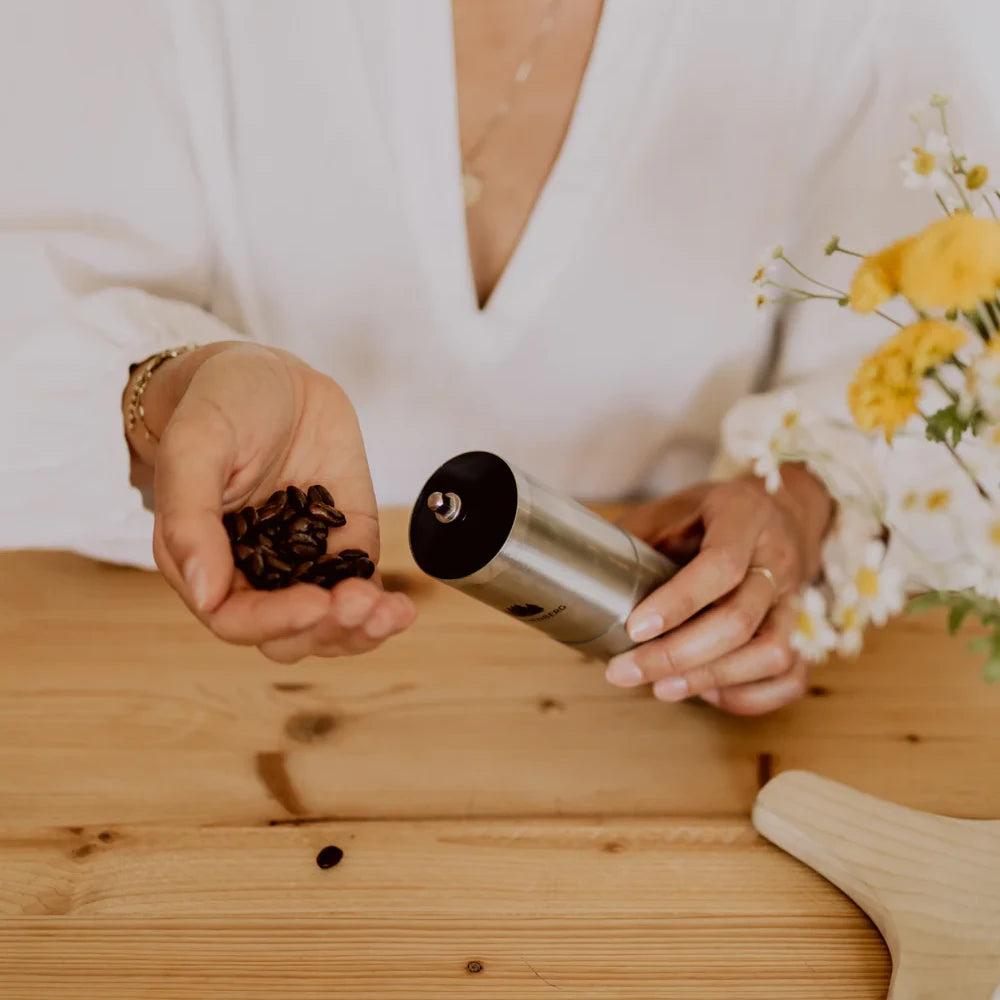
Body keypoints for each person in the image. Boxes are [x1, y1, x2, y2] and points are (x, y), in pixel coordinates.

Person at [0, 0, 996, 713]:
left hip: (645, 704)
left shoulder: (876, 24)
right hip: (174, 689)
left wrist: (793, 515)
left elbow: (925, 372)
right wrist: (169, 388)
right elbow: (31, 302)